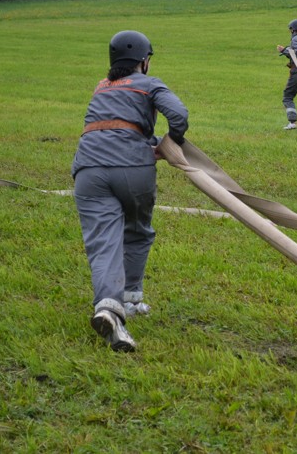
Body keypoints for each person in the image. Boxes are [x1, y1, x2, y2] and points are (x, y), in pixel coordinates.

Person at [72, 30, 189, 352]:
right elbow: (178, 115)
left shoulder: (101, 86)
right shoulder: (149, 83)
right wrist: (170, 144)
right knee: (137, 231)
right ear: (144, 61)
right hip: (134, 168)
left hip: (88, 169)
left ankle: (113, 303)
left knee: (103, 242)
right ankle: (126, 303)